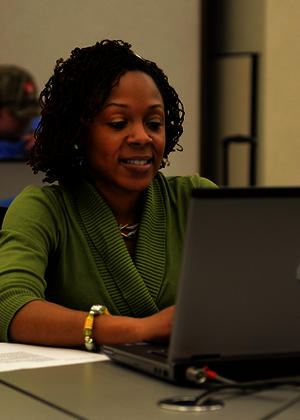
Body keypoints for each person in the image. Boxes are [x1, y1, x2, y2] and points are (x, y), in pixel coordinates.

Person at [0, 40, 216, 349]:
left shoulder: (197, 199)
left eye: (154, 123)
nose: (143, 137)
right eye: (118, 123)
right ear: (78, 134)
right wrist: (135, 330)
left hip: (195, 387)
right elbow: (9, 305)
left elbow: (257, 290)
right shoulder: (43, 209)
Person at [0, 65, 40, 160]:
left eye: (30, 114)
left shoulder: (44, 130)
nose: (28, 121)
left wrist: (57, 150)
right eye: (19, 114)